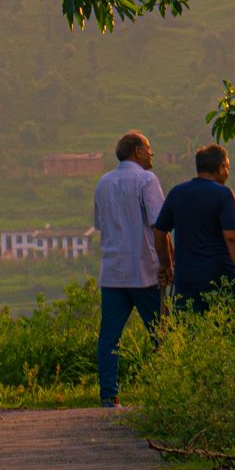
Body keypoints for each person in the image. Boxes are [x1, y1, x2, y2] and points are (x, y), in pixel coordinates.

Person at [92, 129, 167, 408]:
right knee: (162, 332)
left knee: (109, 337)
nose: (151, 154)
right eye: (148, 148)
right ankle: (168, 386)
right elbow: (160, 227)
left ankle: (108, 395)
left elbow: (100, 225)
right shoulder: (147, 180)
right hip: (144, 270)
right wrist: (167, 264)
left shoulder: (103, 182)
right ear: (137, 151)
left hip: (113, 272)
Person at [153, 144, 235, 312]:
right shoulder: (223, 194)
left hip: (186, 281)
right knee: (230, 325)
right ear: (222, 167)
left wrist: (166, 265)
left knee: (189, 326)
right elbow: (232, 238)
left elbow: (159, 232)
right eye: (227, 167)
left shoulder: (176, 193)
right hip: (220, 281)